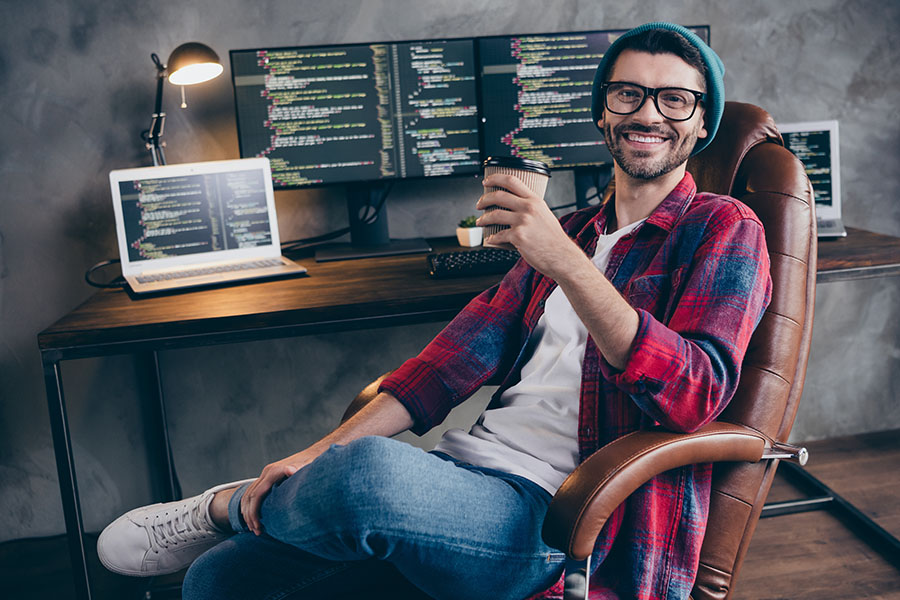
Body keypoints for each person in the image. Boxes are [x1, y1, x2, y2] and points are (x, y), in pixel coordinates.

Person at [98, 22, 772, 600]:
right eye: (629, 93)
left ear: (702, 122)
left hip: (564, 520)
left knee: (365, 475)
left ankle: (224, 507)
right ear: (602, 111)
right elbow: (450, 361)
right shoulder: (578, 226)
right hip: (467, 480)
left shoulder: (724, 228)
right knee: (216, 582)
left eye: (674, 99)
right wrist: (311, 456)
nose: (648, 114)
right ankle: (266, 506)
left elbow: (694, 391)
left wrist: (564, 260)